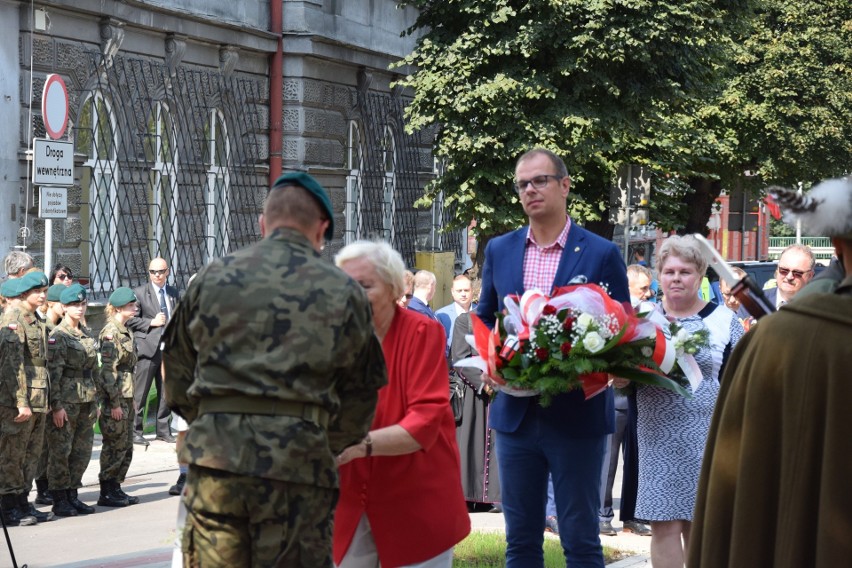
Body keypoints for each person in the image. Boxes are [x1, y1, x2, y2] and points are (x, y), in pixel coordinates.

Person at [163, 172, 387, 567]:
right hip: (298, 472)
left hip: (217, 468)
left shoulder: (213, 277)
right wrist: (315, 438)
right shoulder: (343, 291)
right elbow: (361, 396)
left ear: (263, 224)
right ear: (321, 230)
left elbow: (178, 374)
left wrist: (219, 420)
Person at [477, 148, 629, 567]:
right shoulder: (500, 249)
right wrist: (490, 358)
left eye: (539, 180)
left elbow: (623, 324)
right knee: (520, 542)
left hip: (576, 416)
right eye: (522, 184)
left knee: (580, 539)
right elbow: (483, 314)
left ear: (564, 185)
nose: (530, 190)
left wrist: (606, 364)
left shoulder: (600, 253)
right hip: (515, 416)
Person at [689, 177, 852, 567]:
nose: (789, 278)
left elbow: (737, 499)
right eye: (783, 271)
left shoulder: (773, 342)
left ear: (836, 245)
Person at [333, 240, 471, 567]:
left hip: (416, 499)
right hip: (351, 498)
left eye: (365, 285)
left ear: (395, 287)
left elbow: (424, 421)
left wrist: (357, 444)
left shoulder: (422, 332)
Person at [634, 235, 743, 568]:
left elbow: (739, 384)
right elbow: (623, 374)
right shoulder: (640, 318)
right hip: (657, 438)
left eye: (685, 271)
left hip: (709, 440)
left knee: (703, 529)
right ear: (659, 276)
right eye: (668, 272)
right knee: (663, 527)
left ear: (699, 275)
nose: (676, 278)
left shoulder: (725, 321)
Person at [599, 264, 653, 538]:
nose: (648, 293)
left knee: (635, 459)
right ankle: (603, 514)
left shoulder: (650, 314)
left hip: (640, 396)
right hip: (613, 395)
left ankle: (633, 515)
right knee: (608, 460)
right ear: (628, 286)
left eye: (649, 288)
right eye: (643, 288)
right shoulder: (613, 315)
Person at [0, 271, 52, 526]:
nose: (42, 295)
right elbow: (12, 365)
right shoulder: (14, 318)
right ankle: (8, 506)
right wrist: (21, 401)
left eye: (44, 291)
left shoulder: (36, 318)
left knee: (31, 454)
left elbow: (42, 364)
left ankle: (22, 501)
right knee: (13, 454)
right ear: (23, 294)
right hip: (19, 400)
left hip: (38, 397)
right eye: (37, 292)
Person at [45, 283, 99, 516]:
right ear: (64, 308)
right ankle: (59, 498)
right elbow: (53, 375)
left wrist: (96, 402)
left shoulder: (85, 334)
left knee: (82, 450)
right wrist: (56, 406)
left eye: (82, 304)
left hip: (86, 399)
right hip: (66, 400)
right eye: (74, 305)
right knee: (61, 450)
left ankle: (72, 494)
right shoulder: (59, 335)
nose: (79, 308)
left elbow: (93, 370)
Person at [127, 257, 180, 445]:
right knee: (141, 392)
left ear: (167, 272)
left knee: (166, 392)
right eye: (152, 272)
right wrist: (152, 322)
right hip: (148, 349)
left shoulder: (173, 292)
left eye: (160, 271)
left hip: (168, 349)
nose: (156, 275)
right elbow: (130, 319)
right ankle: (135, 431)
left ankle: (163, 430)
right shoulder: (140, 293)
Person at [97, 287, 142, 508]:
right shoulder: (111, 332)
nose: (135, 307)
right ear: (118, 308)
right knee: (114, 444)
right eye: (131, 305)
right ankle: (107, 490)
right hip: (115, 398)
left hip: (126, 395)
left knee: (125, 445)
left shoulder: (125, 330)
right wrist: (114, 403)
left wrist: (130, 398)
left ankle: (116, 486)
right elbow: (108, 371)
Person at [451, 311, 501, 510]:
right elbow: (459, 358)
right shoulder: (465, 320)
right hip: (474, 392)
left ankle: (490, 498)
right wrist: (484, 384)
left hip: (500, 388)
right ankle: (467, 495)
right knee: (471, 443)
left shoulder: (505, 322)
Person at [436, 274, 474, 348]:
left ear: (472, 291)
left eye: (466, 290)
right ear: (452, 292)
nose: (463, 294)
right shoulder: (441, 315)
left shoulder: (481, 312)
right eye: (459, 291)